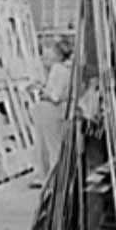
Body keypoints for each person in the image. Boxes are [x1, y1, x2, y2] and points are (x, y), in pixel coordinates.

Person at [33, 37, 74, 185]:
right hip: (57, 111)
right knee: (52, 145)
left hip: (49, 109)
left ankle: (54, 178)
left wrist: (42, 91)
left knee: (50, 146)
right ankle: (52, 177)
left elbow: (54, 96)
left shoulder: (58, 69)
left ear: (57, 54)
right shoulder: (66, 71)